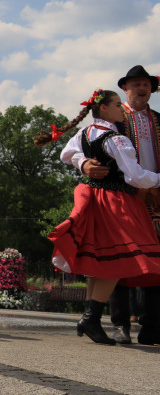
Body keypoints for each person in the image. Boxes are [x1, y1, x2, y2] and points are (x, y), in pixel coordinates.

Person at [35, 88, 160, 345]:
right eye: (116, 104)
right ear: (104, 108)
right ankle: (91, 319)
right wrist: (158, 179)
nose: (120, 110)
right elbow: (134, 176)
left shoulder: (87, 132)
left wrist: (81, 163)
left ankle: (90, 318)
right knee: (116, 261)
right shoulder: (116, 138)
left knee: (101, 260)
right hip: (116, 202)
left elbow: (65, 153)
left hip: (96, 198)